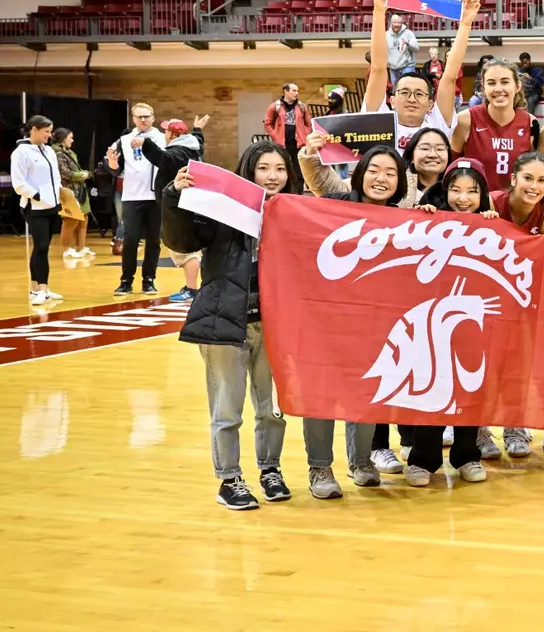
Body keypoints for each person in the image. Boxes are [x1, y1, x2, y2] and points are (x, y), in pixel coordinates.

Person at [163, 143, 301, 508]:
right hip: (225, 322)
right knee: (227, 409)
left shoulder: (297, 213)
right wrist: (173, 195)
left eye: (280, 169)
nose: (272, 176)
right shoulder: (222, 209)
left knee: (272, 409)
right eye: (264, 168)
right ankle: (229, 479)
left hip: (274, 327)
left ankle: (270, 469)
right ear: (249, 172)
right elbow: (180, 239)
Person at [300, 144, 412, 491]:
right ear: (360, 172)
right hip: (326, 320)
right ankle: (319, 468)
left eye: (391, 173)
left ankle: (360, 460)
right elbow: (314, 177)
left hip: (375, 323)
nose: (382, 178)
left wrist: (426, 217)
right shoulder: (335, 206)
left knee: (367, 390)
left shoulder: (404, 220)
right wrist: (308, 155)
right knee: (320, 394)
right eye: (375, 170)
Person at [403, 158, 495, 487]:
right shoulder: (429, 218)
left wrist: (493, 227)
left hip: (474, 322)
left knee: (470, 388)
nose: (463, 198)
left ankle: (467, 455)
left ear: (483, 194)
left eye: (472, 191)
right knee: (432, 387)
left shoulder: (491, 225)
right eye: (455, 189)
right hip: (431, 319)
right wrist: (421, 219)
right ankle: (423, 458)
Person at [491, 153, 544, 459]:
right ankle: (478, 429)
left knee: (518, 365)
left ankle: (515, 426)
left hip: (522, 292)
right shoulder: (493, 204)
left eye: (542, 180)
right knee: (484, 364)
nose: (535, 186)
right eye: (528, 178)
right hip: (485, 293)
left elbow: (541, 263)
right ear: (513, 179)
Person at [362, 0, 473, 148]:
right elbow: (378, 69)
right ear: (392, 100)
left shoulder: (438, 124)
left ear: (430, 104)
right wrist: (378, 12)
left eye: (419, 94)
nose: (411, 99)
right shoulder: (378, 122)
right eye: (405, 92)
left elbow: (449, 77)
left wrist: (466, 24)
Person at [143, 117, 208, 304]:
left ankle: (192, 289)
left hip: (179, 206)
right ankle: (192, 287)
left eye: (166, 132)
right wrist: (198, 128)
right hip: (187, 203)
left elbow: (163, 159)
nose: (164, 135)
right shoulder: (193, 146)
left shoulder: (178, 151)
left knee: (185, 250)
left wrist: (145, 143)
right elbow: (199, 140)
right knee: (185, 248)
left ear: (171, 134)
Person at [450, 57, 539, 194]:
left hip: (514, 207)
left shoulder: (530, 123)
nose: (498, 89)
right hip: (477, 206)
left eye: (505, 82)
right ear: (483, 87)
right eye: (491, 83)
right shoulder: (465, 120)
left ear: (517, 86)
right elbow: (451, 169)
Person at [106, 103, 168, 296]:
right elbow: (115, 169)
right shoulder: (124, 140)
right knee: (131, 238)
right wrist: (113, 163)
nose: (143, 120)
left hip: (156, 196)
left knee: (154, 240)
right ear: (133, 119)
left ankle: (149, 280)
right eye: (139, 117)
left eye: (146, 116)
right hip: (132, 196)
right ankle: (126, 281)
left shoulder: (162, 138)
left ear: (153, 117)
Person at [12, 115, 63, 306]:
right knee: (41, 247)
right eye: (46, 132)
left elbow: (55, 177)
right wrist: (38, 196)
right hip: (34, 207)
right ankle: (42, 289)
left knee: (43, 248)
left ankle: (37, 289)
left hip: (53, 206)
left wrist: (59, 198)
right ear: (33, 129)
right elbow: (19, 183)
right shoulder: (21, 152)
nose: (49, 136)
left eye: (50, 132)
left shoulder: (49, 151)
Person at [51, 128, 91, 262]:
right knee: (70, 220)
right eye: (70, 137)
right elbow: (65, 173)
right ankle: (66, 249)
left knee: (83, 219)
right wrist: (82, 175)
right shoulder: (58, 153)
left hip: (79, 189)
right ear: (62, 138)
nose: (72, 140)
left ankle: (81, 247)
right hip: (68, 191)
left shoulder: (70, 152)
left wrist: (84, 174)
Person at [263, 83, 313, 165]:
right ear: (285, 91)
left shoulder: (302, 106)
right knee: (283, 165)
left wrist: (305, 134)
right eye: (294, 91)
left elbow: (309, 123)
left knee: (299, 167)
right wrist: (274, 135)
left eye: (297, 91)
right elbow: (267, 123)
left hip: (299, 143)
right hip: (282, 143)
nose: (296, 93)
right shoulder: (275, 106)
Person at [402, 126, 455, 200]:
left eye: (440, 149)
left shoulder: (455, 190)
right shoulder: (398, 187)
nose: (432, 155)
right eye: (425, 148)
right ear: (411, 156)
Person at [385, 11, 419, 77]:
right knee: (396, 87)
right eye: (395, 22)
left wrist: (408, 43)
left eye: (399, 23)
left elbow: (416, 49)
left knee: (408, 86)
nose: (397, 25)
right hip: (393, 68)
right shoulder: (386, 35)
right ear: (391, 23)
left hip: (407, 67)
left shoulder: (408, 33)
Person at [517, 52, 544, 116]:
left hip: (534, 94)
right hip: (523, 94)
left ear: (529, 60)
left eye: (525, 63)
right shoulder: (519, 70)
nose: (524, 65)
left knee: (531, 101)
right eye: (522, 63)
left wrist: (530, 78)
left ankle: (530, 120)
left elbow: (540, 83)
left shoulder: (538, 70)